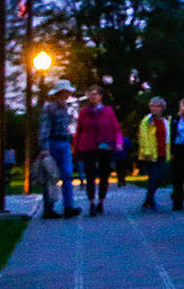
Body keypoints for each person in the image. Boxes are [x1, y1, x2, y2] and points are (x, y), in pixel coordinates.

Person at [72, 86, 123, 216]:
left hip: (105, 145)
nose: (93, 97)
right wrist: (75, 147)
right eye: (90, 94)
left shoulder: (108, 111)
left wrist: (118, 142)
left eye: (95, 94)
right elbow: (79, 130)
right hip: (88, 146)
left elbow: (116, 128)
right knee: (90, 175)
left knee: (104, 174)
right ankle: (91, 202)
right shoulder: (84, 112)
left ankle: (101, 201)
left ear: (100, 96)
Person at [37, 79, 79, 218]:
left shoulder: (66, 107)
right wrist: (45, 148)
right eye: (65, 92)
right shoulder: (49, 107)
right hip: (53, 143)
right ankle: (49, 209)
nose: (67, 95)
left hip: (64, 143)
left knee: (67, 175)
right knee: (51, 176)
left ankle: (68, 206)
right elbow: (45, 128)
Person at [136, 96, 171, 211]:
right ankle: (148, 201)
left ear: (162, 108)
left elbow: (168, 138)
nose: (155, 109)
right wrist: (146, 152)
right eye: (152, 106)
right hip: (151, 153)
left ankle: (149, 200)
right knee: (153, 176)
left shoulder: (166, 121)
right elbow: (143, 137)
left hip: (163, 153)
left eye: (157, 106)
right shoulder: (147, 121)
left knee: (159, 177)